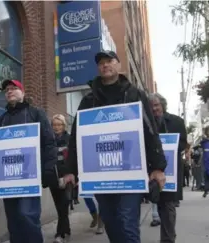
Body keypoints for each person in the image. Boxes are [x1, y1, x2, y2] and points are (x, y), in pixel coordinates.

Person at [67, 51, 167, 243]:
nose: (105, 65)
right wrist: (71, 170)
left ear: (119, 65)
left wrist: (157, 167)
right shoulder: (89, 101)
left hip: (130, 172)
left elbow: (150, 131)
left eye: (110, 61)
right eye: (101, 63)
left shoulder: (135, 94)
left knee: (127, 223)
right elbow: (76, 138)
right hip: (100, 174)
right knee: (111, 223)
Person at [0, 80, 75, 243]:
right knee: (14, 221)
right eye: (7, 90)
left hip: (29, 177)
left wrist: (48, 169)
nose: (9, 91)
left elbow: (49, 143)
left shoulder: (36, 114)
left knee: (27, 216)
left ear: (23, 92)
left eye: (14, 88)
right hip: (7, 179)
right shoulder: (1, 120)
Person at [149, 93, 188, 243]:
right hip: (152, 170)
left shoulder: (176, 122)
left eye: (157, 105)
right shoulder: (146, 122)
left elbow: (183, 143)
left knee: (168, 207)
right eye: (151, 106)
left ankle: (168, 239)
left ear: (163, 105)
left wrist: (170, 146)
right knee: (158, 204)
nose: (154, 109)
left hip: (170, 169)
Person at [50, 114, 71, 243]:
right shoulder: (49, 140)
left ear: (64, 126)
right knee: (59, 207)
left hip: (66, 177)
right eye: (54, 125)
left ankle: (60, 234)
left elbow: (72, 158)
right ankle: (67, 228)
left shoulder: (69, 139)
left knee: (64, 205)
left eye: (59, 125)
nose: (57, 127)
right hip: (53, 177)